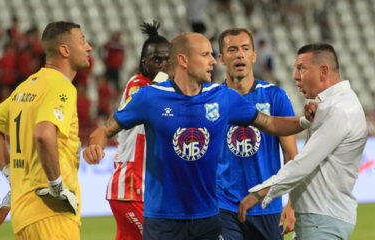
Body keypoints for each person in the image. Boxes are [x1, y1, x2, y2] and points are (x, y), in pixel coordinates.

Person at [83, 32, 313, 240]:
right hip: (163, 220)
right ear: (183, 60)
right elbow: (105, 130)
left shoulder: (222, 97)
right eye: (206, 55)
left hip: (208, 220)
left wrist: (304, 120)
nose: (213, 61)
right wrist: (95, 145)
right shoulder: (149, 98)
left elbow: (271, 123)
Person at [238, 43, 367, 240]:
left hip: (323, 221)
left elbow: (304, 163)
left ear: (323, 71)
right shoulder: (332, 105)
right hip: (319, 220)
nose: (295, 76)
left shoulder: (339, 110)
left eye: (301, 68)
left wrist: (261, 192)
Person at [0, 21, 92, 239]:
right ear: (65, 50)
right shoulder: (61, 87)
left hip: (24, 216)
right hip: (52, 215)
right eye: (83, 41)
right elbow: (43, 133)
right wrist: (57, 187)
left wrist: (10, 173)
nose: (88, 47)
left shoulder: (27, 86)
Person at [216, 27, 297, 239]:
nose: (239, 54)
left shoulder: (275, 97)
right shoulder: (211, 100)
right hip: (224, 207)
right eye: (232, 50)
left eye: (245, 49)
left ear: (254, 55)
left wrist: (292, 203)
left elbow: (291, 156)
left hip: (266, 207)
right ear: (222, 58)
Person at [106, 20, 170, 240]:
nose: (162, 65)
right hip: (130, 189)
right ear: (144, 62)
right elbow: (147, 98)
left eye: (166, 60)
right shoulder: (139, 84)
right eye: (156, 60)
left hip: (147, 191)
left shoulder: (169, 93)